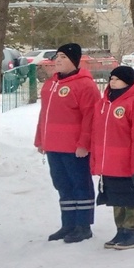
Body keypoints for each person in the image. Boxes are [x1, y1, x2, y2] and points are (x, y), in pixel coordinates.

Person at [34, 43, 101, 243]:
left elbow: (90, 117)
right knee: (62, 185)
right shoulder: (50, 84)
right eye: (57, 57)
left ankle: (83, 225)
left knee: (80, 184)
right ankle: (68, 224)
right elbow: (44, 115)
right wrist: (41, 139)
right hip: (53, 145)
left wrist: (84, 143)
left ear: (74, 60)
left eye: (63, 57)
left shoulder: (85, 85)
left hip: (74, 147)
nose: (58, 60)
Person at [91, 66, 134, 250]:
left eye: (117, 79)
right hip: (109, 162)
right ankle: (121, 230)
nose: (112, 81)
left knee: (132, 197)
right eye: (111, 78)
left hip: (129, 161)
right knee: (116, 198)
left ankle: (132, 232)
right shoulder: (103, 104)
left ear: (128, 81)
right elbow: (97, 133)